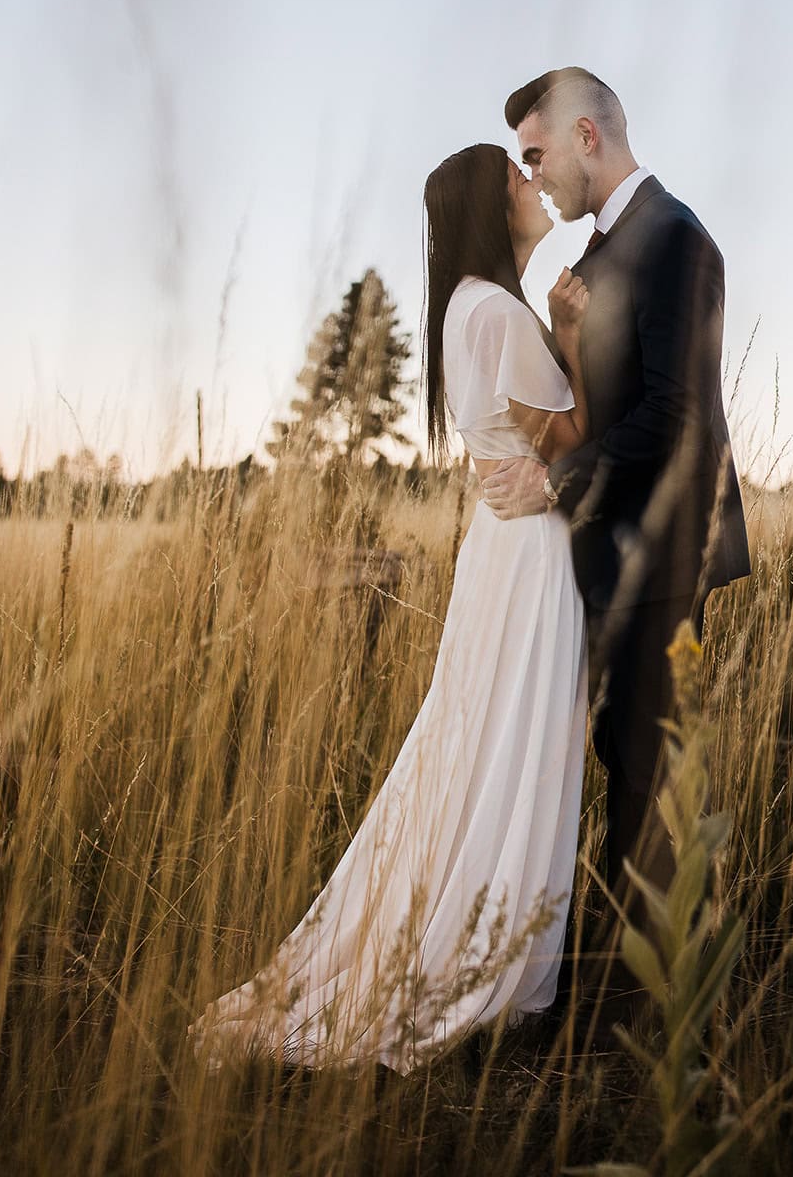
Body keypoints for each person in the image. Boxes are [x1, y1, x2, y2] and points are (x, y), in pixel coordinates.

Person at [187, 142, 592, 1075]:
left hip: (507, 551)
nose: (534, 188)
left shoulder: (468, 309)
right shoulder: (498, 314)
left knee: (489, 735)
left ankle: (489, 931)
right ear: (490, 212)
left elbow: (509, 443)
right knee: (513, 741)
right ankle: (487, 955)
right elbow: (569, 438)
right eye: (516, 181)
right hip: (529, 556)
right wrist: (573, 339)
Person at [482, 67, 751, 1029]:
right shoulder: (595, 258)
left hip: (661, 551)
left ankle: (644, 1015)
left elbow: (678, 420)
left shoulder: (675, 239)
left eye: (537, 153)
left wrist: (553, 483)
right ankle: (606, 981)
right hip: (602, 554)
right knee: (612, 762)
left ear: (587, 135)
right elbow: (595, 403)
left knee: (645, 772)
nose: (535, 174)